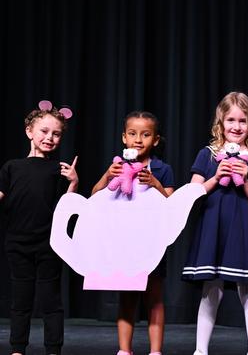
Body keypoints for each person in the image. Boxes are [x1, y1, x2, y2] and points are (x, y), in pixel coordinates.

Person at [182, 92, 248, 355]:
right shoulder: (208, 155)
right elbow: (192, 193)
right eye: (231, 120)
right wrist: (215, 178)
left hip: (242, 230)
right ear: (220, 122)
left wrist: (245, 179)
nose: (236, 126)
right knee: (211, 288)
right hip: (213, 228)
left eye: (243, 121)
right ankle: (201, 350)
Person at [91, 111, 175, 355]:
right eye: (133, 134)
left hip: (152, 242)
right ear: (124, 138)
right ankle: (124, 350)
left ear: (156, 140)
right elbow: (94, 197)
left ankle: (155, 351)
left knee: (154, 299)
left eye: (146, 134)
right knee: (127, 297)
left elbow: (172, 203)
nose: (139, 139)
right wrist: (107, 176)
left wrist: (156, 184)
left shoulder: (162, 169)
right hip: (124, 242)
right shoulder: (117, 167)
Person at [0, 101, 78, 355]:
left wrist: (74, 182)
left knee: (51, 301)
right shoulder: (12, 167)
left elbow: (67, 208)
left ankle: (53, 349)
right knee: (20, 300)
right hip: (18, 243)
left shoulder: (60, 170)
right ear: (29, 132)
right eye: (44, 131)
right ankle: (17, 349)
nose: (49, 137)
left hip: (49, 244)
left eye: (56, 134)